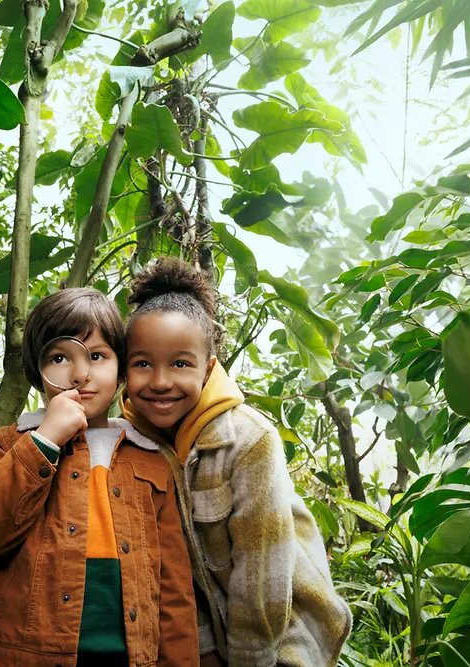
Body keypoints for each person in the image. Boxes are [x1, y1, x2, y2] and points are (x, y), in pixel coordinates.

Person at [119, 258, 352, 667]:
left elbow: (263, 587)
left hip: (283, 640)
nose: (159, 381)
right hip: (204, 641)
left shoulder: (248, 440)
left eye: (180, 364)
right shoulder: (131, 442)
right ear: (124, 368)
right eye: (142, 364)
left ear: (209, 369)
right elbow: (174, 570)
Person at [0, 288, 199, 667]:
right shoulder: (8, 444)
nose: (80, 373)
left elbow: (175, 591)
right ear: (38, 372)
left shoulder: (153, 461)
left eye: (97, 356)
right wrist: (46, 439)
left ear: (122, 370)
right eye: (59, 357)